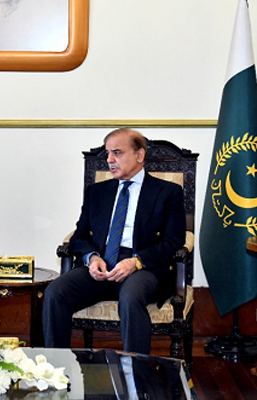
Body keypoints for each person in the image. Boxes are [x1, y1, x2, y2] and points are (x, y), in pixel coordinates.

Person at [43, 128, 185, 354]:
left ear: (139, 155)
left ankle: (135, 380)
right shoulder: (97, 192)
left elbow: (173, 241)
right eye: (108, 154)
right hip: (102, 264)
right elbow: (80, 235)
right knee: (55, 292)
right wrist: (92, 258)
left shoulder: (168, 192)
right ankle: (56, 371)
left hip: (143, 268)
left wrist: (135, 262)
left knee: (131, 296)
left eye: (117, 153)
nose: (109, 160)